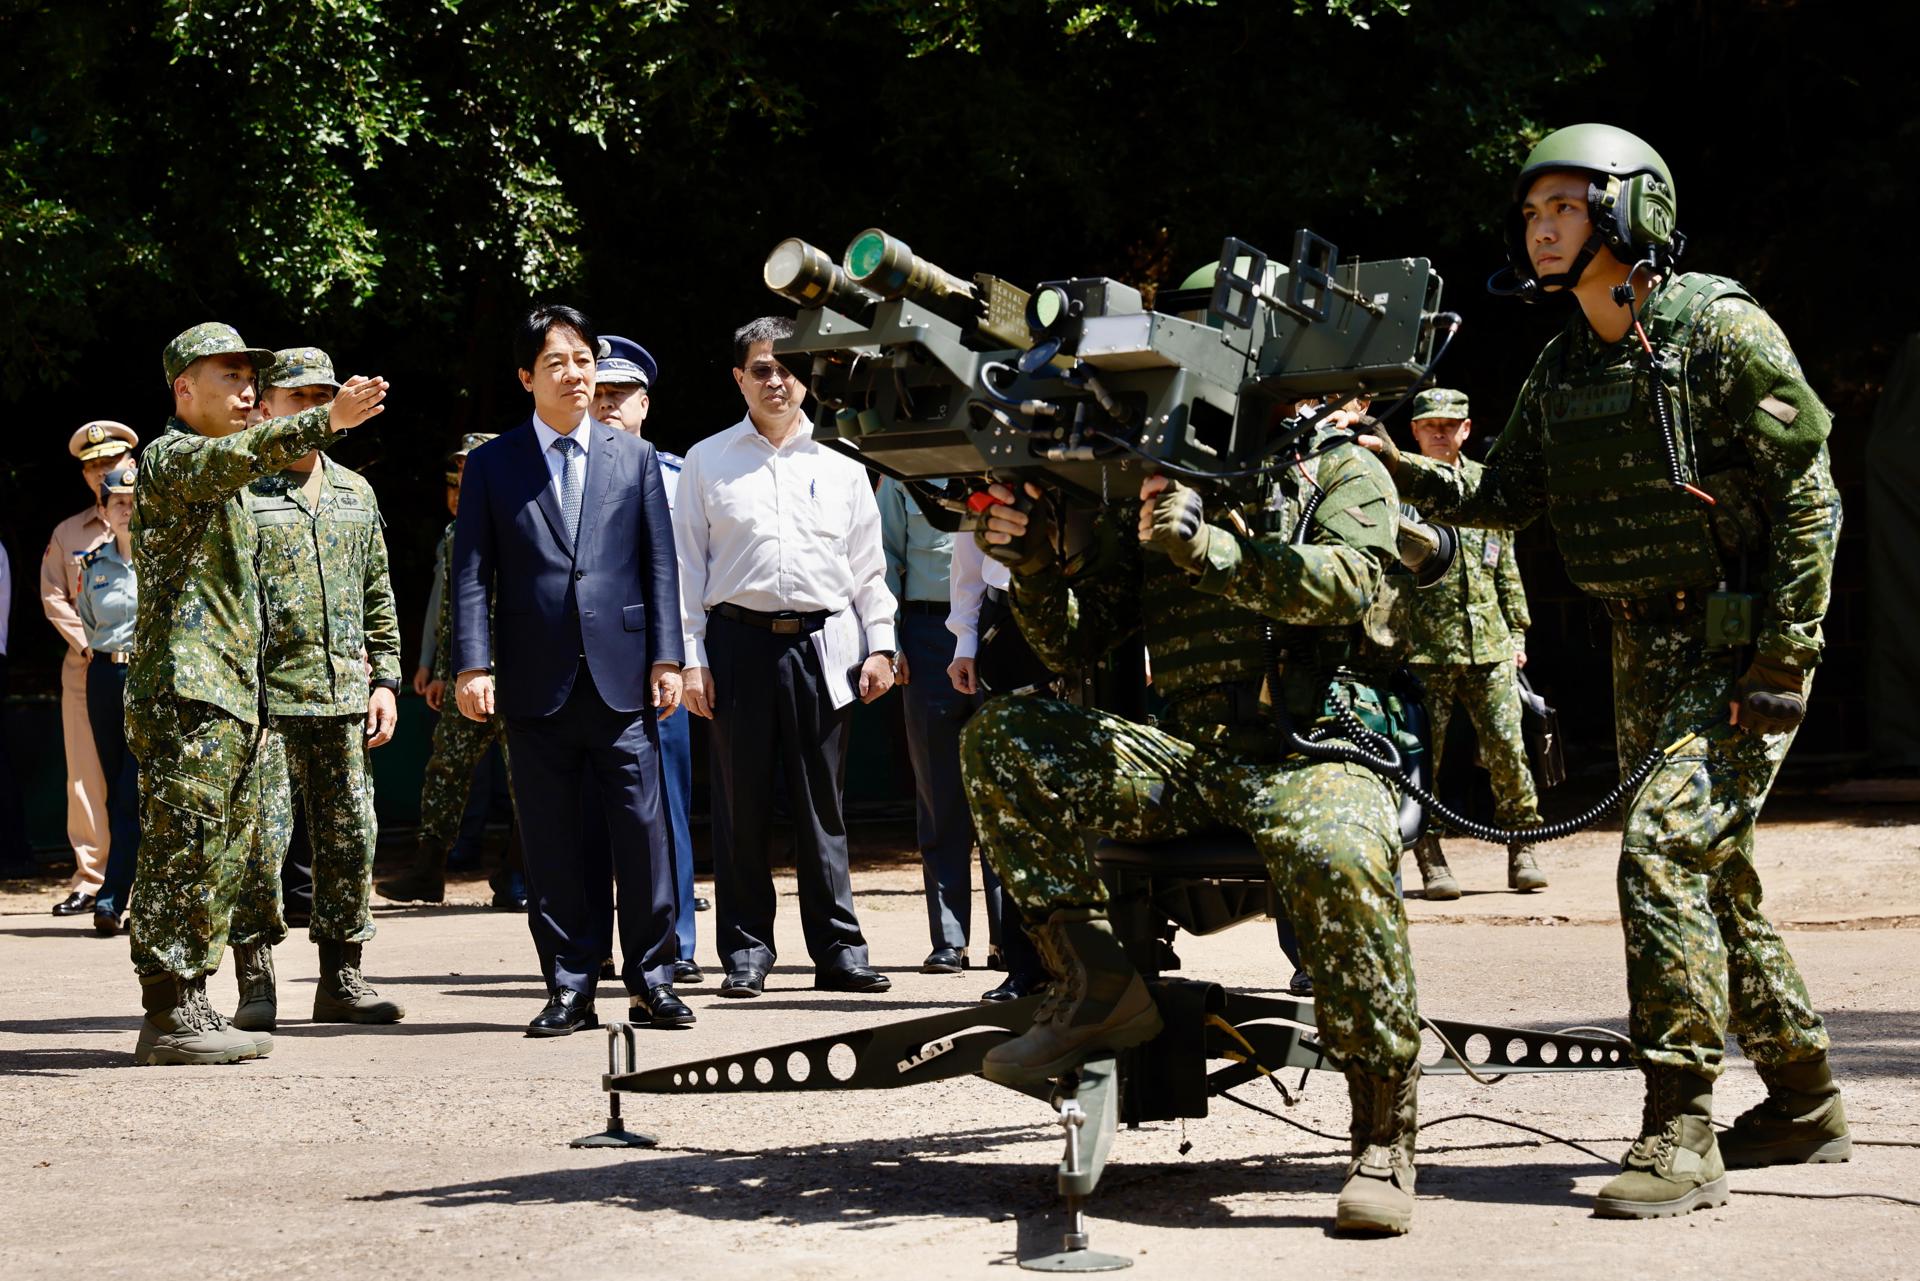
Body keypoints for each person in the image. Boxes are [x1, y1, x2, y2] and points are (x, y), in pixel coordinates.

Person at [1357, 123, 1848, 1218]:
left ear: (1632, 216)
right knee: (1713, 871)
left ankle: (1680, 1125)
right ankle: (1807, 1099)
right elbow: (1497, 500)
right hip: (1642, 643)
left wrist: (1786, 650)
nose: (1540, 230)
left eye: (1565, 210)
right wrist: (1383, 463)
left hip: (1740, 646)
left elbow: (1811, 493)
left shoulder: (1718, 331)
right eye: (1533, 215)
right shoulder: (1567, 360)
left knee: (1662, 854)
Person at [962, 420, 1424, 1233]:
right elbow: (1077, 640)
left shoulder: (1338, 470)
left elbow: (1350, 582)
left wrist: (1210, 546)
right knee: (1003, 741)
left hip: (1313, 748)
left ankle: (1381, 1132)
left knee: (1339, 848)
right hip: (1192, 755)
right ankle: (1094, 981)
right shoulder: (1147, 488)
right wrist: (1034, 567)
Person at [127, 321, 386, 1066]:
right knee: (184, 847)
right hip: (186, 691)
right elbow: (235, 455)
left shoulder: (232, 482)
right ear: (184, 389)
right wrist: (320, 421)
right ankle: (169, 1009)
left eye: (251, 378)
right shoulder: (172, 457)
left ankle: (194, 1003)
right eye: (230, 377)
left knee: (221, 852)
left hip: (233, 694)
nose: (246, 390)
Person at [451, 304, 689, 1035]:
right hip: (533, 676)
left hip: (623, 674)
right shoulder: (494, 464)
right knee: (551, 841)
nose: (576, 374)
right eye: (557, 362)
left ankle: (653, 979)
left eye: (583, 358)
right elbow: (471, 572)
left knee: (643, 833)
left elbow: (659, 561)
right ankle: (569, 986)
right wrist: (472, 664)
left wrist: (668, 655)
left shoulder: (634, 457)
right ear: (528, 378)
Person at [676, 317, 897, 999]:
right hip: (735, 643)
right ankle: (746, 952)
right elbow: (685, 568)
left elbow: (868, 569)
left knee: (820, 807)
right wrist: (690, 657)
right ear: (739, 377)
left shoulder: (842, 461)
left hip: (822, 644)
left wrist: (882, 642)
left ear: (810, 377)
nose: (778, 380)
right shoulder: (706, 460)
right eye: (763, 368)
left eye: (789, 368)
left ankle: (838, 950)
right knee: (740, 805)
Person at [225, 347, 406, 1031]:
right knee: (259, 845)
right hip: (266, 701)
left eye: (322, 396)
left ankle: (341, 976)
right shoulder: (242, 489)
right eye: (298, 399)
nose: (313, 409)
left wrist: (385, 678)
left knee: (350, 838)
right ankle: (256, 980)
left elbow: (378, 592)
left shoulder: (356, 491)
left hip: (342, 698)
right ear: (265, 407)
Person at [1396, 388, 1546, 899]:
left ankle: (1523, 846)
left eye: (1449, 424)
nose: (1439, 432)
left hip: (1489, 641)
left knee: (1508, 747)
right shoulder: (1396, 488)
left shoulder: (1485, 486)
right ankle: (1431, 857)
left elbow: (1505, 564)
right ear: (1414, 432)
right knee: (1424, 759)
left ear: (1465, 428)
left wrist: (1518, 630)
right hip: (1421, 646)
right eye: (1429, 425)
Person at [590, 335, 704, 984]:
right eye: (598, 392)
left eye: (620, 394)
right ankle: (598, 944)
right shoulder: (564, 471)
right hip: (586, 669)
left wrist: (687, 661)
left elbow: (694, 580)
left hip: (661, 668)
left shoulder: (679, 478)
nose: (608, 404)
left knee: (666, 809)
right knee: (591, 814)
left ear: (645, 404)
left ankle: (676, 941)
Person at [377, 433, 528, 910]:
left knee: (526, 776)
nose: (462, 486)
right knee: (445, 771)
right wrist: (438, 667)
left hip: (520, 675)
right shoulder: (453, 532)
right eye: (456, 476)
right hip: (471, 675)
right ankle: (428, 870)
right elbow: (451, 612)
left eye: (472, 472)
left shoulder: (526, 521)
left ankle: (521, 875)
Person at [944, 528, 1048, 1003]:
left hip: (1084, 608)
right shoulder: (993, 458)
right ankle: (1024, 964)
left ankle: (1110, 958)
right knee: (1011, 801)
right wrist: (965, 640)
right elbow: (969, 553)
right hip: (1006, 615)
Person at [41, 420, 137, 916]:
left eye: (111, 461)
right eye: (93, 465)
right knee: (86, 777)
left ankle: (134, 880)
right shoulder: (68, 533)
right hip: (88, 669)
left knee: (139, 778)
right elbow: (54, 596)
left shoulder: (154, 522)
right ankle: (91, 877)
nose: (102, 470)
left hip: (142, 669)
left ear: (131, 462)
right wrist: (86, 646)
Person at [76, 465, 141, 935]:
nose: (125, 508)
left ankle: (112, 897)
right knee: (112, 783)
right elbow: (86, 622)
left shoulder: (160, 559)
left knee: (131, 791)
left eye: (132, 500)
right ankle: (116, 894)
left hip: (146, 677)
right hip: (103, 676)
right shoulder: (92, 564)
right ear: (102, 510)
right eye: (116, 502)